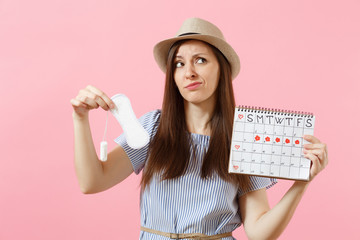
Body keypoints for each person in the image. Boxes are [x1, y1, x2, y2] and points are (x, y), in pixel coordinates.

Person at [70, 18, 328, 239]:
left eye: (200, 60)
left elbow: (259, 232)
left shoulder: (243, 138)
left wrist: (301, 184)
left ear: (222, 70)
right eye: (179, 64)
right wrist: (81, 119)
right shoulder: (153, 127)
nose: (189, 72)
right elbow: (92, 182)